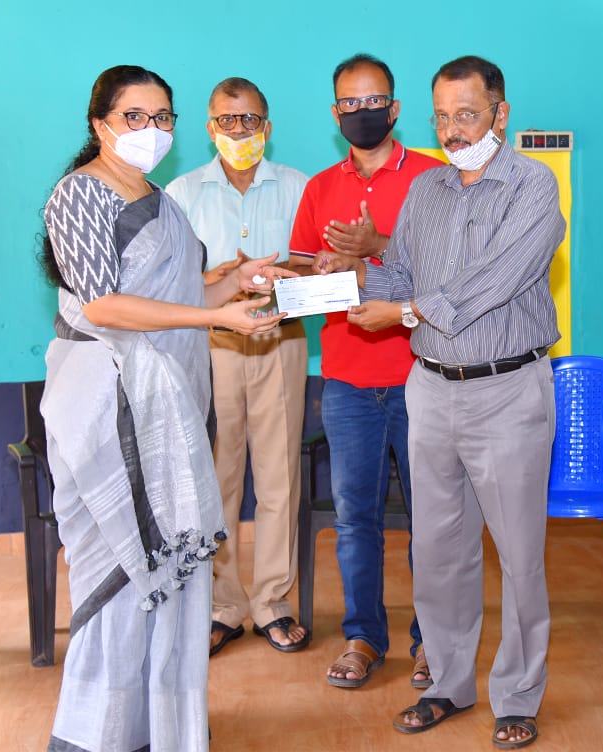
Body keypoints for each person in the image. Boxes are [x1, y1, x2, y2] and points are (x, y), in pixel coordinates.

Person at [40, 65, 292, 752]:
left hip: (169, 404)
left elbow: (181, 300)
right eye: (134, 116)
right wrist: (217, 319)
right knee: (124, 572)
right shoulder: (79, 194)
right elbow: (103, 306)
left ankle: (158, 726)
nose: (150, 130)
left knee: (173, 573)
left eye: (162, 117)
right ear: (100, 123)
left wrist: (235, 284)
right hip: (109, 405)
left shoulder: (161, 202)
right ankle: (99, 734)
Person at [321, 54, 564, 750]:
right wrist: (353, 276)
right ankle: (449, 684)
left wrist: (402, 311)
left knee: (518, 557)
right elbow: (400, 273)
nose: (454, 130)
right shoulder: (426, 189)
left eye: (468, 114)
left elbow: (495, 280)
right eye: (443, 117)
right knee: (437, 551)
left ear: (500, 114)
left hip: (507, 390)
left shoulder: (533, 186)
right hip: (429, 388)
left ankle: (516, 695)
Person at [286, 53, 442, 689]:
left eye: (374, 101)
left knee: (433, 519)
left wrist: (377, 249)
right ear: (335, 113)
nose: (363, 112)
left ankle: (433, 642)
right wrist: (309, 270)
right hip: (348, 380)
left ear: (395, 108)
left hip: (424, 376)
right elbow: (302, 267)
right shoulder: (320, 187)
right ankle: (363, 637)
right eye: (350, 104)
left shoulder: (434, 179)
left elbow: (452, 277)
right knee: (355, 520)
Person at [166, 77, 311, 655]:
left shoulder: (299, 187)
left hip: (281, 340)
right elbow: (168, 282)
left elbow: (317, 267)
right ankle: (222, 606)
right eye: (227, 120)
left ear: (266, 127)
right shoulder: (181, 193)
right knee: (217, 480)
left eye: (249, 119)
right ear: (210, 128)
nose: (239, 130)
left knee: (279, 478)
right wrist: (221, 276)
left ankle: (273, 603)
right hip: (212, 347)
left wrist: (284, 275)